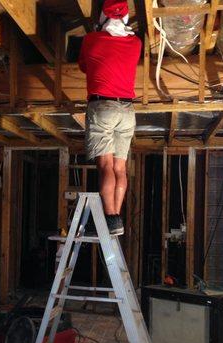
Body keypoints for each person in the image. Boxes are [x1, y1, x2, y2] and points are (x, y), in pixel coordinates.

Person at [78, 0, 141, 235]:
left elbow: (84, 66)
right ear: (125, 18)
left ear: (102, 18)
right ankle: (114, 218)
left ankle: (112, 218)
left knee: (105, 166)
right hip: (126, 110)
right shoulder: (135, 43)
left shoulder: (92, 40)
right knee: (119, 168)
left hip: (102, 105)